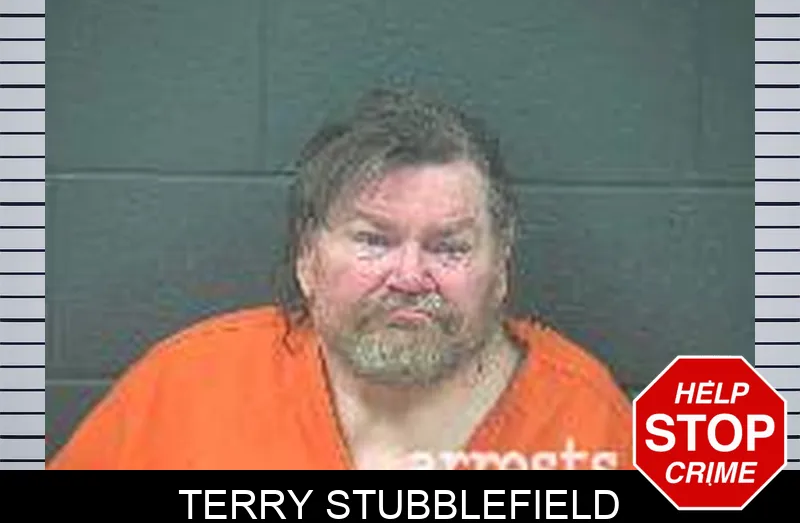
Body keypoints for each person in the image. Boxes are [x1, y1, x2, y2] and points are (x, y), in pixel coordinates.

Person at [48, 88, 633, 470]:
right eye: (373, 240)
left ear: (500, 267)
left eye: (449, 247)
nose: (410, 277)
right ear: (308, 258)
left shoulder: (585, 419)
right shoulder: (188, 386)